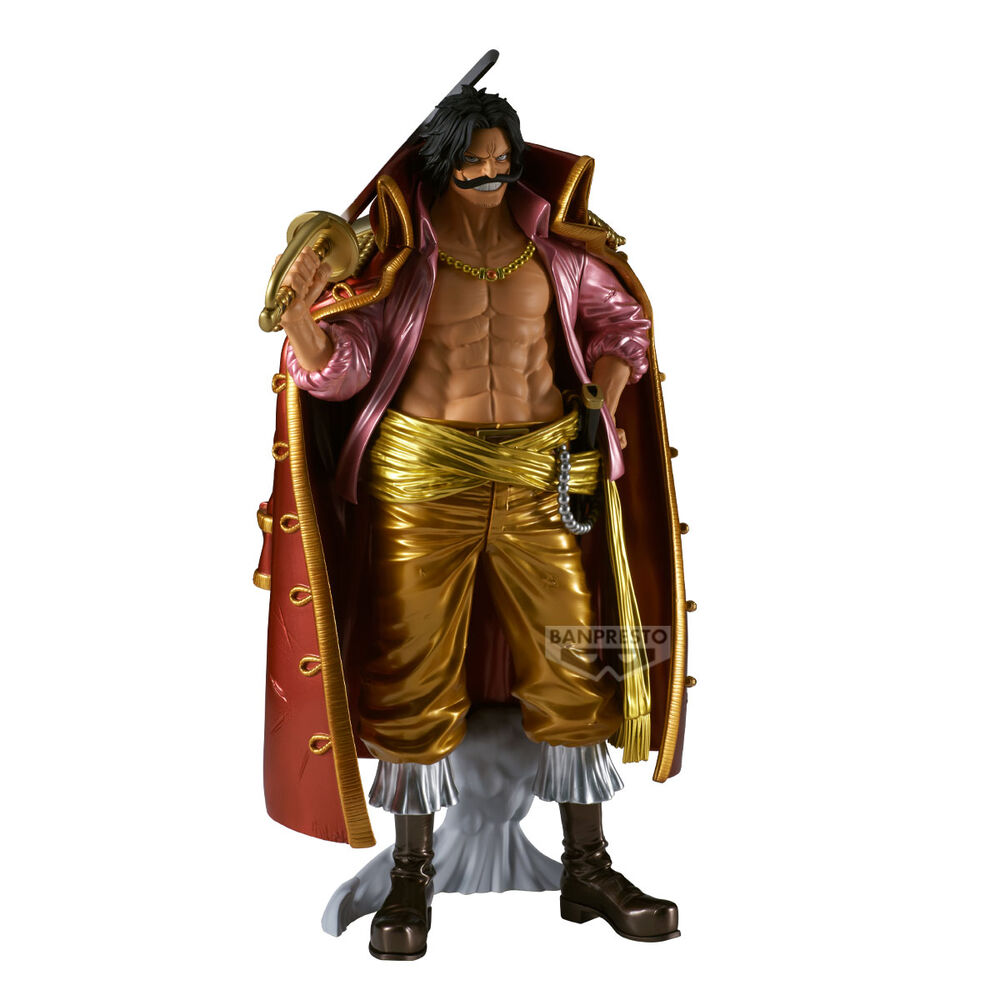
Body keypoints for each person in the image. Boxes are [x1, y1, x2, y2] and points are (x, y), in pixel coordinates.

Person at [255, 86, 691, 961]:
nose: (491, 174)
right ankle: (410, 872)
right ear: (441, 162)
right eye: (474, 161)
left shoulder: (557, 250)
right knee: (412, 671)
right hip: (423, 482)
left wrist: (598, 405)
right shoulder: (395, 262)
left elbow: (624, 324)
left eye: (501, 159)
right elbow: (345, 372)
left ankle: (588, 867)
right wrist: (304, 322)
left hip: (539, 475)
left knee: (576, 660)